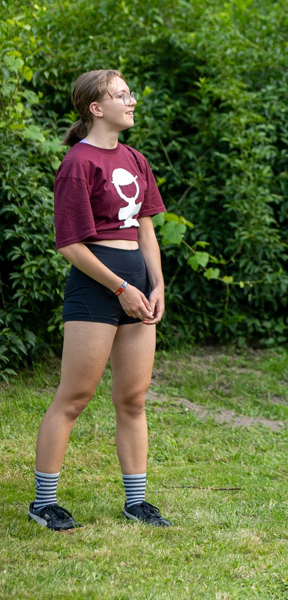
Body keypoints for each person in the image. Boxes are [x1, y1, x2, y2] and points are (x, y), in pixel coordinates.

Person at [29, 69, 171, 530]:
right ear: (96, 108)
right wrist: (120, 288)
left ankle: (137, 502)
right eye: (121, 95)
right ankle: (43, 503)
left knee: (133, 398)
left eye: (129, 94)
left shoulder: (135, 159)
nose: (131, 102)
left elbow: (146, 230)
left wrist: (156, 284)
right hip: (97, 285)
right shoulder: (78, 163)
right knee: (74, 397)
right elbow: (71, 245)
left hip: (137, 284)